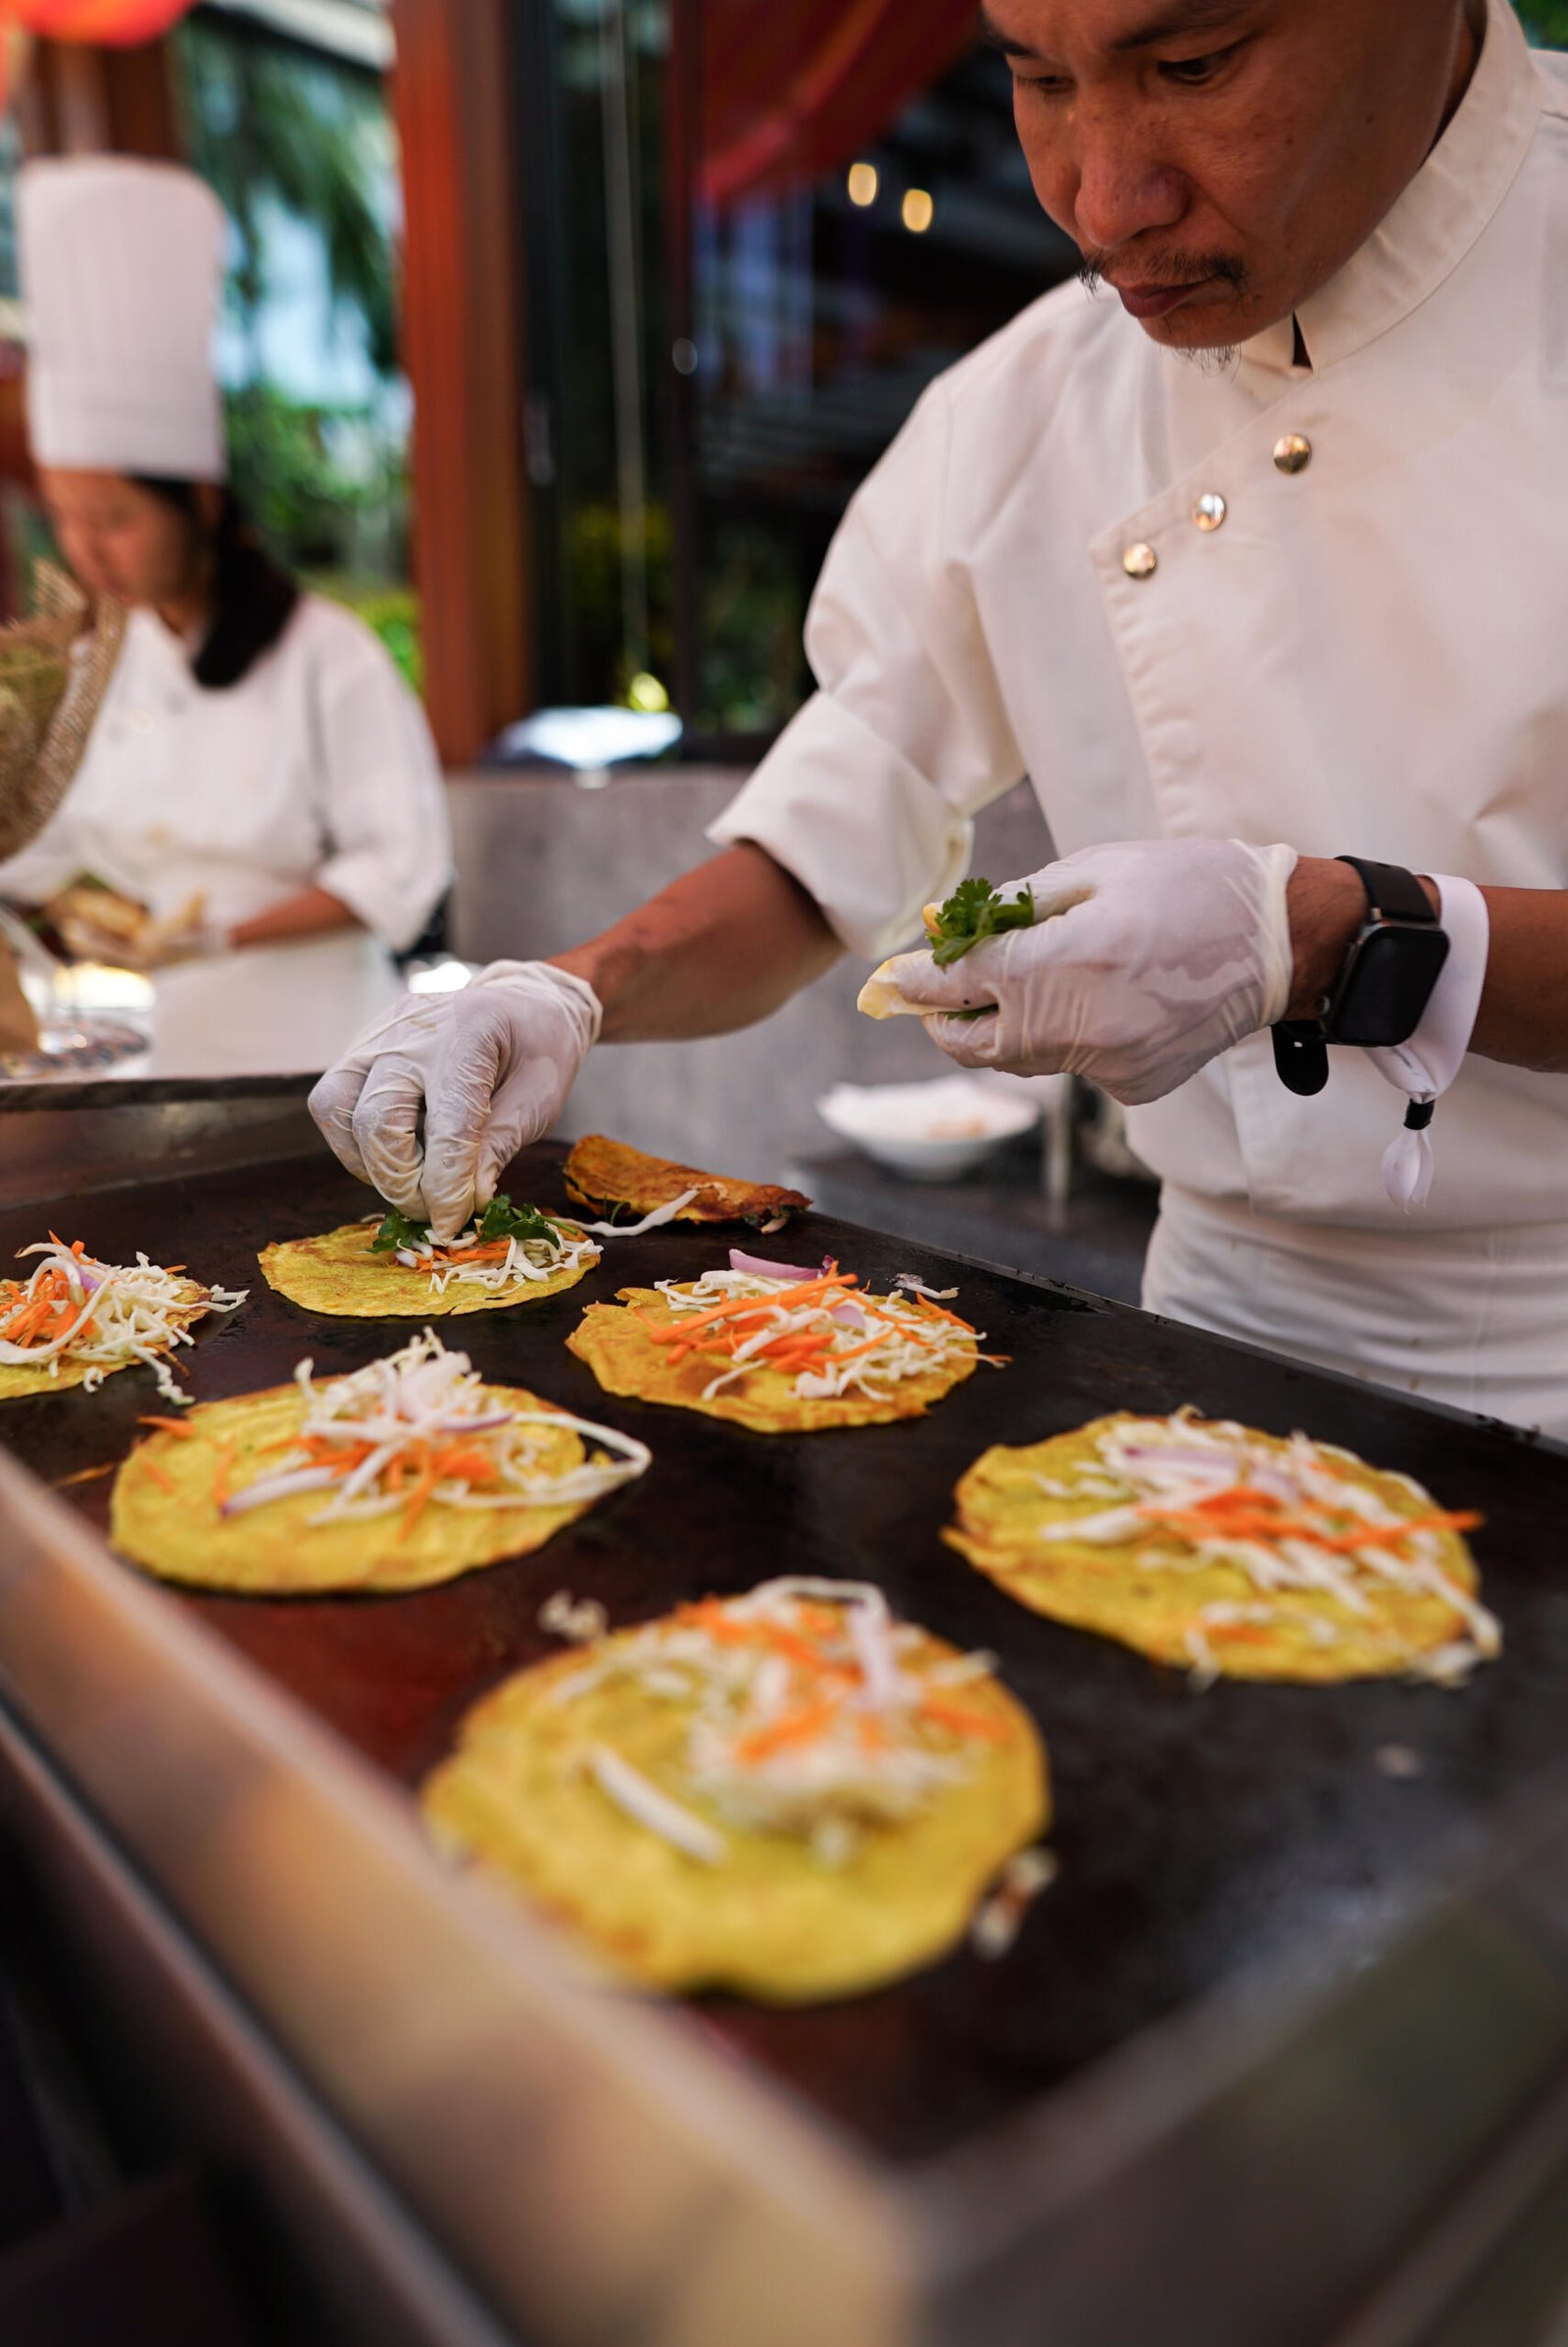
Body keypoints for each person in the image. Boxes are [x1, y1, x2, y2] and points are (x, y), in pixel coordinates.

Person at [315, 0, 1568, 1434]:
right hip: (1214, 1334)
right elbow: (824, 839)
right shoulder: (1027, 405)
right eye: (1037, 79)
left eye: (1196, 65)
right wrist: (566, 987)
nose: (1104, 204)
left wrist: (1335, 933)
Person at [0, 157, 451, 1075]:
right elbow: (42, 854)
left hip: (330, 1058)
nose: (86, 554)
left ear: (200, 503)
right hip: (164, 1063)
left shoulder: (331, 656)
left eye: (115, 521)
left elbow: (399, 872)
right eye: (66, 523)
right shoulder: (97, 667)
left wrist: (217, 939)